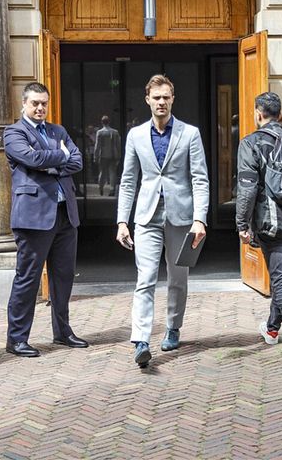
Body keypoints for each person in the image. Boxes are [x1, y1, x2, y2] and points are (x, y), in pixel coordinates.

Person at [116, 74, 209, 367]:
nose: (161, 102)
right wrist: (122, 221)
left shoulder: (189, 133)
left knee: (177, 280)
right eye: (156, 97)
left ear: (172, 99)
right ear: (147, 100)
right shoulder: (136, 135)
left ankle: (173, 327)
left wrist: (200, 219)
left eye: (166, 97)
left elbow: (200, 179)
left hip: (181, 217)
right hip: (146, 217)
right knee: (145, 279)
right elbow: (128, 181)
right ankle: (141, 339)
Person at [3, 82, 88, 357]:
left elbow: (77, 161)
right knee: (27, 279)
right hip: (33, 218)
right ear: (24, 105)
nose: (40, 108)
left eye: (44, 104)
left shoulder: (58, 131)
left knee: (63, 277)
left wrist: (51, 161)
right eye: (35, 103)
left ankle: (62, 332)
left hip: (65, 215)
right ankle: (16, 339)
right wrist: (59, 156)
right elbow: (29, 158)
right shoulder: (14, 132)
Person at [235, 91, 282, 364]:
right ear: (279, 114)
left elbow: (246, 187)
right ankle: (271, 329)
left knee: (280, 281)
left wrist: (242, 224)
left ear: (258, 113)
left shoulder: (251, 143)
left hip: (272, 223)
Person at [94, 115, 122, 196]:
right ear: (109, 122)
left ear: (102, 122)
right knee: (112, 172)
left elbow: (97, 146)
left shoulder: (100, 132)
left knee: (102, 172)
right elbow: (118, 145)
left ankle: (101, 187)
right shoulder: (115, 132)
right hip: (113, 155)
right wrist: (119, 155)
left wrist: (95, 156)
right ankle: (112, 189)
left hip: (103, 155)